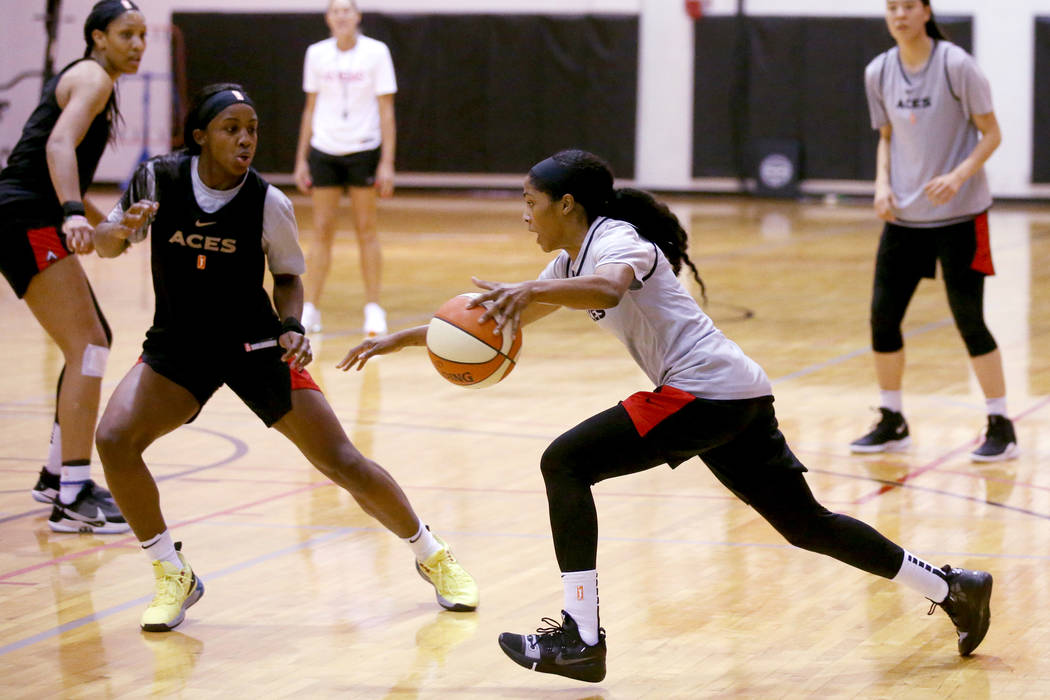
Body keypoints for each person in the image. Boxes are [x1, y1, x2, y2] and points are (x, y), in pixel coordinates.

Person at [339, 149, 994, 683]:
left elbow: (607, 288)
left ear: (567, 205)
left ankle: (580, 636)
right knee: (804, 523)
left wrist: (536, 287)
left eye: (530, 205)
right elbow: (489, 319)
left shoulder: (619, 242)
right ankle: (952, 587)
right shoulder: (567, 258)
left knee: (564, 462)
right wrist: (396, 340)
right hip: (732, 391)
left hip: (705, 391)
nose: (525, 217)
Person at [90, 83, 477, 632]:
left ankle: (432, 554)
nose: (245, 139)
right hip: (179, 344)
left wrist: (292, 326)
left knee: (342, 461)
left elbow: (289, 276)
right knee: (113, 440)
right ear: (200, 136)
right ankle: (170, 571)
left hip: (254, 346)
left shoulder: (268, 202)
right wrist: (116, 229)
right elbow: (107, 243)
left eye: (252, 129)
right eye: (231, 129)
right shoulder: (158, 179)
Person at [0, 0, 147, 534]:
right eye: (125, 34)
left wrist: (105, 227)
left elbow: (58, 165)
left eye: (142, 36)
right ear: (96, 37)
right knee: (88, 345)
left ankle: (56, 473)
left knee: (94, 337)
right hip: (25, 216)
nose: (136, 45)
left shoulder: (92, 80)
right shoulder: (93, 77)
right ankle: (73, 494)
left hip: (29, 213)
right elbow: (57, 144)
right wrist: (68, 215)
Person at [852, 0, 1014, 461]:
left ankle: (1001, 423)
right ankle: (892, 419)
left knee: (969, 319)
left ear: (925, 12)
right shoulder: (878, 71)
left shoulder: (956, 65)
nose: (899, 15)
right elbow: (886, 136)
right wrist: (882, 184)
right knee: (883, 317)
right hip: (904, 217)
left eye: (908, 6)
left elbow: (992, 133)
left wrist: (958, 176)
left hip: (962, 215)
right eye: (891, 7)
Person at [293, 0, 397, 336]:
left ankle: (373, 307)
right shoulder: (316, 53)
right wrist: (301, 157)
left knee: (366, 229)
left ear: (357, 16)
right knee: (321, 229)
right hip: (325, 149)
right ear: (328, 18)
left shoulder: (376, 52)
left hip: (364, 149)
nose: (341, 16)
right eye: (335, 11)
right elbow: (310, 108)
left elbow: (386, 111)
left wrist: (387, 162)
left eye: (347, 10)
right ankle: (310, 308)